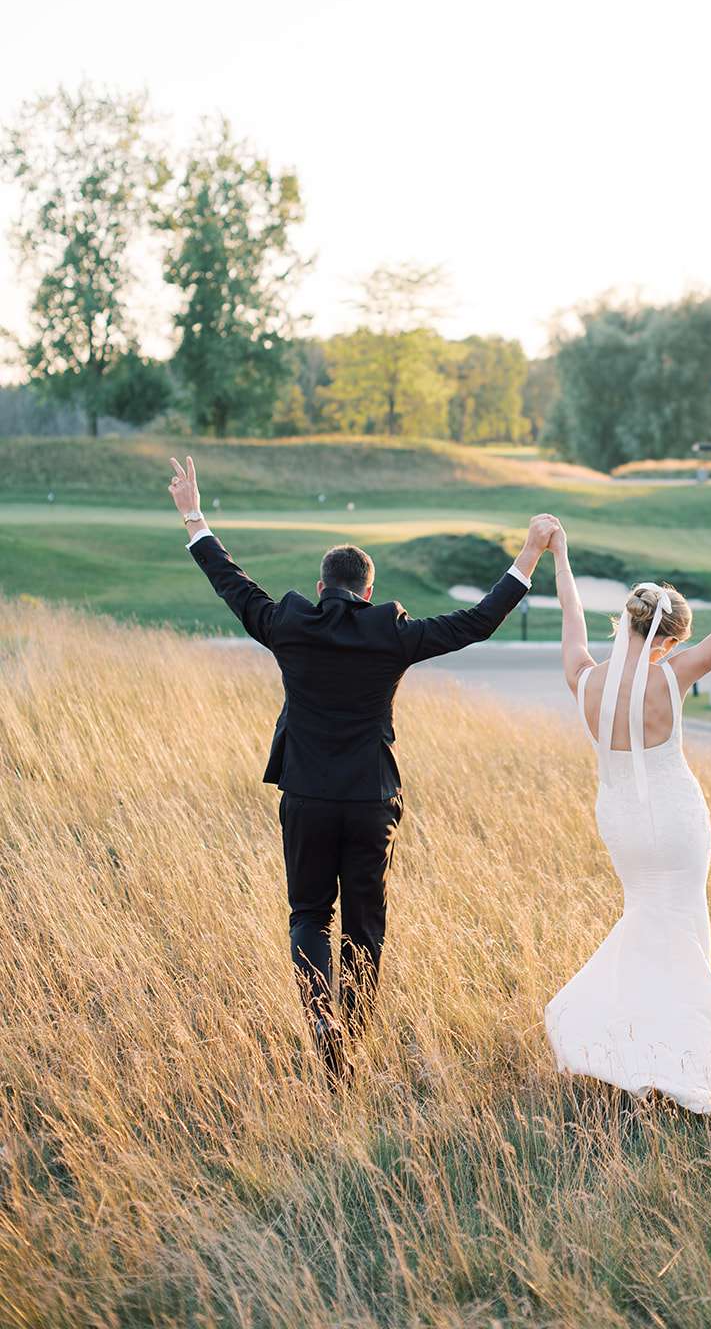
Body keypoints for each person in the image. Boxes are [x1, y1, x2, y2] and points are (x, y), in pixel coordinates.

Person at [167, 455, 559, 1079]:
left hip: (307, 797)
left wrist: (194, 512)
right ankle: (350, 1036)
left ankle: (322, 1025)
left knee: (307, 916)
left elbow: (231, 581)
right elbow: (478, 622)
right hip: (371, 799)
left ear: (321, 587)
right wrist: (529, 553)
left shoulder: (288, 623)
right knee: (364, 930)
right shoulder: (391, 633)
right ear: (368, 591)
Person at [545, 522, 711, 1113]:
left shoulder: (585, 679)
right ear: (668, 639)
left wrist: (560, 555)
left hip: (619, 821)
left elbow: (570, 612)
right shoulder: (673, 675)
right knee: (685, 932)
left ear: (624, 625)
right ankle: (680, 1065)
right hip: (674, 820)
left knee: (645, 920)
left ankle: (639, 1052)